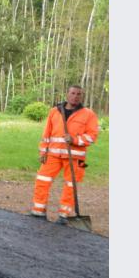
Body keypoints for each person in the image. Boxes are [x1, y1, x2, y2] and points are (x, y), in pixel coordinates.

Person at [30, 85, 99, 224]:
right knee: (42, 180)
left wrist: (74, 140)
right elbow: (46, 134)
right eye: (73, 93)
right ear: (67, 94)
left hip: (75, 158)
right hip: (53, 155)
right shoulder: (55, 111)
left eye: (79, 94)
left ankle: (64, 216)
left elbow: (92, 136)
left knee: (70, 185)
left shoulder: (88, 114)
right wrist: (43, 151)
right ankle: (38, 211)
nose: (75, 96)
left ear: (82, 96)